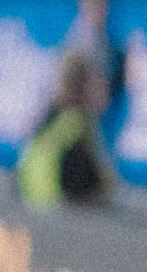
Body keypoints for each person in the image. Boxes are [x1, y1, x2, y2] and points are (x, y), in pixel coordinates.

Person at [21, 50, 116, 207]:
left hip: (33, 194)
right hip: (59, 201)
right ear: (86, 85)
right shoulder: (78, 123)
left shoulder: (47, 118)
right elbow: (102, 183)